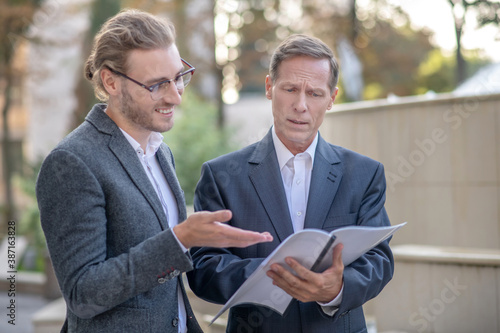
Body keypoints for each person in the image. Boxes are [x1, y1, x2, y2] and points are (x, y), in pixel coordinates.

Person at [36, 9, 272, 333]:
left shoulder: (160, 151)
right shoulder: (72, 163)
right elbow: (83, 293)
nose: (175, 94)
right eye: (158, 84)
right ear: (110, 81)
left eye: (178, 76)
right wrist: (181, 238)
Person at [187, 34, 394, 332]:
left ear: (332, 99)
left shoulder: (364, 174)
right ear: (270, 88)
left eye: (315, 93)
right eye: (291, 89)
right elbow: (204, 267)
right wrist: (272, 276)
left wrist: (336, 287)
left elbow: (380, 260)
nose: (300, 105)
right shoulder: (221, 176)